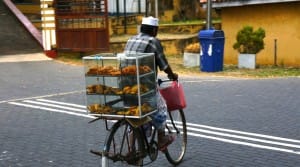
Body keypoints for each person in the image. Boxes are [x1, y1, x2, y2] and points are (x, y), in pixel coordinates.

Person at [123, 16, 178, 151]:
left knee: (134, 116)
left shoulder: (131, 39)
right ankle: (161, 139)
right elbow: (164, 65)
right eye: (157, 30)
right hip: (143, 86)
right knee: (162, 107)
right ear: (154, 30)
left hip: (124, 84)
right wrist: (172, 75)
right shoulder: (153, 41)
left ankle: (131, 149)